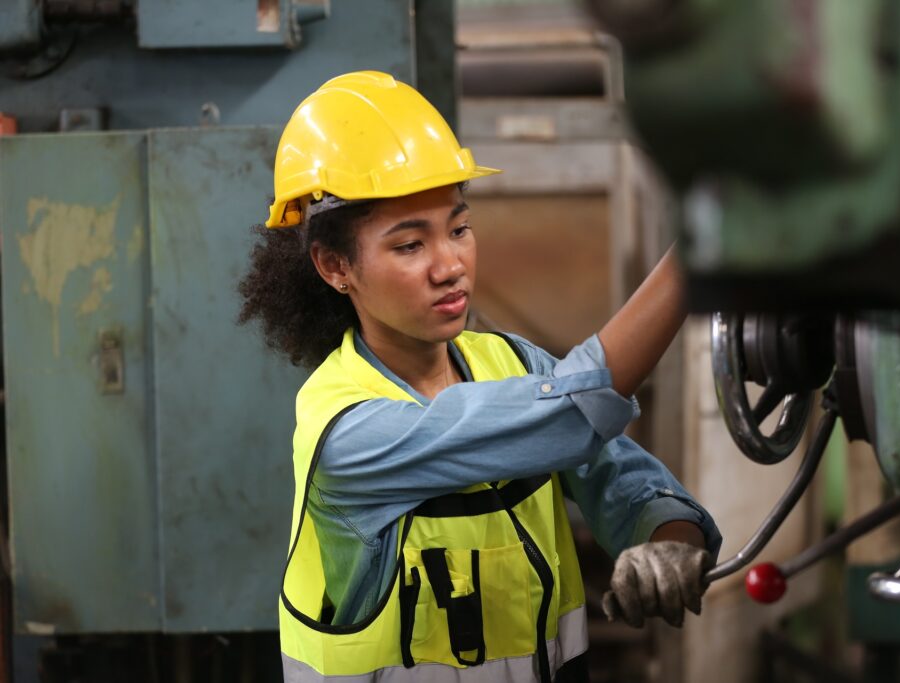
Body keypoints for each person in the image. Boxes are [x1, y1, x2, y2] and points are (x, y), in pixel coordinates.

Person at [239, 71, 722, 683]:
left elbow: (623, 481)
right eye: (410, 245)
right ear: (336, 266)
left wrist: (668, 541)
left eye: (459, 229)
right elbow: (574, 415)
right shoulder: (348, 431)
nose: (451, 266)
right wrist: (703, 253)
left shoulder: (514, 364)